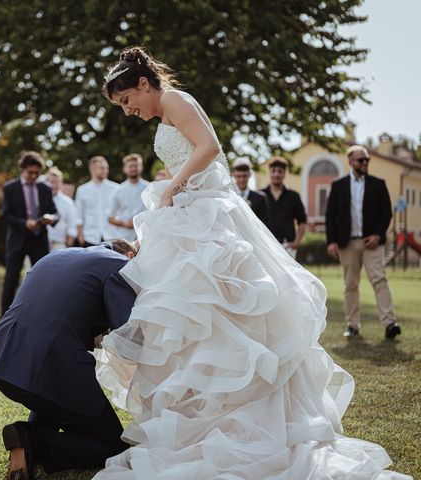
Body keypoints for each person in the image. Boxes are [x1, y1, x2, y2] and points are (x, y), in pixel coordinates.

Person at [92, 46, 411, 479]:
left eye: (128, 101)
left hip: (210, 216)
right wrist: (175, 187)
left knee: (229, 312)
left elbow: (210, 148)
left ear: (144, 84)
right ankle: (203, 410)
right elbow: (193, 157)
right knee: (195, 315)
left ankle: (247, 410)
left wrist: (173, 187)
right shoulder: (165, 111)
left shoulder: (176, 101)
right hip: (190, 210)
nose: (128, 111)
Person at [0, 240, 137, 479]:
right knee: (114, 448)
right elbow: (128, 336)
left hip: (2, 358)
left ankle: (30, 436)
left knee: (55, 401)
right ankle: (32, 440)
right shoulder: (119, 266)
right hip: (53, 363)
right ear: (130, 256)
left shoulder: (59, 255)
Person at [325, 145, 401, 339]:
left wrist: (377, 235)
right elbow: (330, 215)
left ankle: (390, 323)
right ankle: (352, 325)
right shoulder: (338, 185)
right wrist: (331, 241)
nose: (365, 163)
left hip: (372, 243)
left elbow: (386, 213)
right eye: (361, 160)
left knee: (379, 279)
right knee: (350, 284)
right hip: (346, 243)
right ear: (350, 162)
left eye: (367, 160)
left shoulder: (378, 184)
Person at [0, 152, 57, 317]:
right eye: (30, 172)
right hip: (17, 239)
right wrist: (24, 223)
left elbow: (55, 212)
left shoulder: (45, 188)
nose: (33, 176)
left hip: (39, 240)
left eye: (36, 173)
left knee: (43, 279)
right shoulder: (10, 188)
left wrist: (51, 218)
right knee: (11, 280)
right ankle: (4, 318)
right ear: (23, 169)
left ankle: (40, 315)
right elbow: (6, 215)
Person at [260, 156, 307, 259]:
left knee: (289, 275)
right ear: (270, 172)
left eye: (280, 171)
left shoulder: (294, 196)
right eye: (274, 171)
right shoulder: (260, 195)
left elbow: (302, 222)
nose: (276, 174)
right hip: (266, 246)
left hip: (288, 247)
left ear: (285, 173)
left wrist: (296, 242)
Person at [75, 156, 118, 247]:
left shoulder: (116, 188)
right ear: (92, 169)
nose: (105, 170)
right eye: (102, 168)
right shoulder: (82, 190)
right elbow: (79, 216)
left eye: (106, 168)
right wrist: (80, 236)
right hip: (89, 237)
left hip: (112, 237)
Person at [107, 153, 149, 242]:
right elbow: (110, 218)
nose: (133, 168)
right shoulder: (118, 191)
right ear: (124, 169)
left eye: (135, 166)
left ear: (141, 167)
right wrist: (125, 224)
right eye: (130, 166)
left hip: (146, 234)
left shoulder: (149, 188)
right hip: (124, 237)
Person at [231, 157, 269, 226]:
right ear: (233, 175)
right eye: (239, 176)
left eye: (244, 176)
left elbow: (265, 224)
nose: (242, 179)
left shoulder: (260, 198)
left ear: (249, 175)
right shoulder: (229, 197)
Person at [46, 167, 77, 251]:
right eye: (51, 182)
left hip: (59, 244)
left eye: (57, 182)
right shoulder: (39, 199)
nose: (54, 185)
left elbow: (72, 225)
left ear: (61, 183)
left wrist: (69, 244)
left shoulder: (68, 202)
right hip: (40, 243)